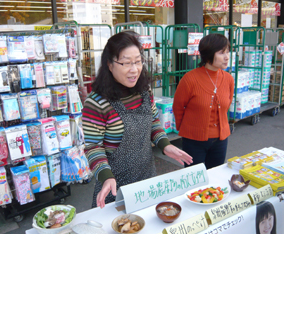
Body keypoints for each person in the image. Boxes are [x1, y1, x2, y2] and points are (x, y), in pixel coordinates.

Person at [82, 31, 192, 208]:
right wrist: (105, 176)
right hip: (115, 188)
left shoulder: (144, 91)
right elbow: (93, 147)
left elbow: (153, 122)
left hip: (146, 180)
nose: (134, 69)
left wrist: (165, 144)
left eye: (138, 61)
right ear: (110, 65)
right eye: (126, 63)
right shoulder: (96, 103)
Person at [172, 33, 235, 170]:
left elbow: (227, 105)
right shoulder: (190, 79)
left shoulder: (229, 79)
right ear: (208, 54)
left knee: (215, 176)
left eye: (228, 52)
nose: (227, 57)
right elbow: (178, 106)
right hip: (193, 140)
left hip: (221, 139)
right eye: (221, 53)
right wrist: (186, 129)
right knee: (194, 179)